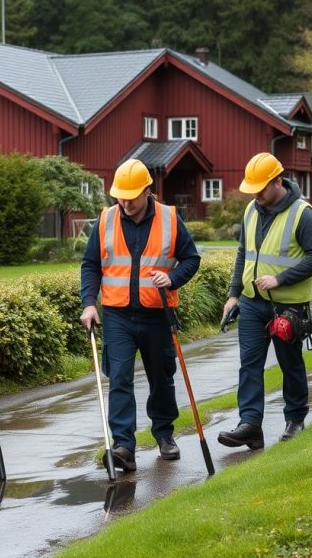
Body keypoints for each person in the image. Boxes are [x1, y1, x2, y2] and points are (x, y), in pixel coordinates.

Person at [80, 158, 201, 472]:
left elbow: (191, 258)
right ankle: (124, 447)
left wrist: (172, 279)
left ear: (148, 190)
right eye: (120, 195)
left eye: (130, 196)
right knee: (119, 378)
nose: (124, 202)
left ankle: (164, 435)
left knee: (161, 378)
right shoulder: (106, 219)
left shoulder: (171, 219)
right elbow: (90, 264)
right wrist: (89, 302)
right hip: (117, 315)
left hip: (157, 314)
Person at [217, 153, 312, 450]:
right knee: (249, 364)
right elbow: (244, 253)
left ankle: (295, 418)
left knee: (289, 363)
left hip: (288, 306)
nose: (256, 194)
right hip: (253, 303)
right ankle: (250, 425)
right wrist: (233, 295)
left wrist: (281, 279)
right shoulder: (252, 210)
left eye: (261, 188)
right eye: (252, 188)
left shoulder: (302, 213)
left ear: (278, 181)